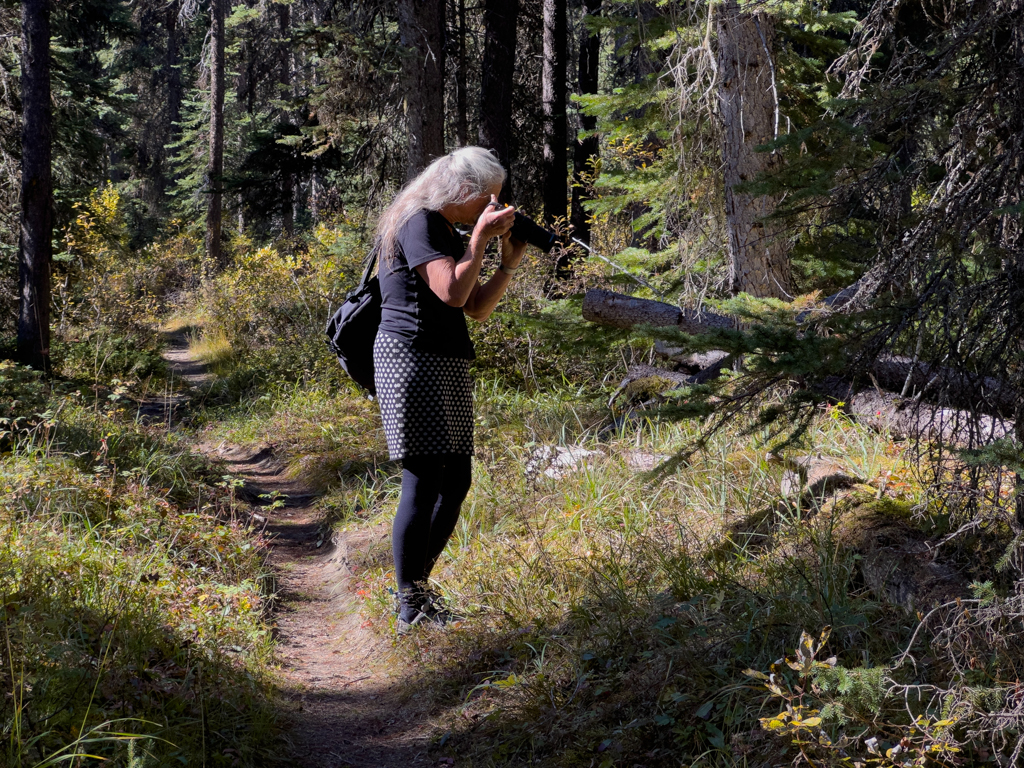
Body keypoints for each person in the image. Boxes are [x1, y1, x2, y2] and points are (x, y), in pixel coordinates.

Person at [373, 147, 527, 633]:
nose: (492, 206)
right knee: (422, 480)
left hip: (446, 360)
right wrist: (479, 239)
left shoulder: (445, 228)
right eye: (487, 198)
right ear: (460, 192)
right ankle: (409, 605)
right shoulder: (417, 222)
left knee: (455, 480)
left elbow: (476, 307)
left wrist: (506, 263)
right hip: (411, 357)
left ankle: (419, 594)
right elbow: (451, 292)